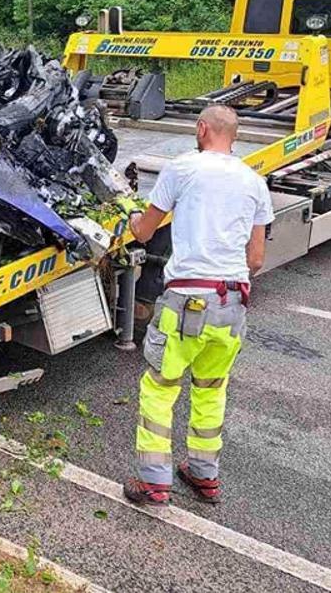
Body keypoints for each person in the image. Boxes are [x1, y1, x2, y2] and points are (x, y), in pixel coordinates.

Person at [118, 105, 273, 506]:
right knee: (210, 390)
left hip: (187, 300)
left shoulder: (183, 168)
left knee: (160, 388)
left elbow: (145, 230)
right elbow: (256, 259)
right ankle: (205, 477)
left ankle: (154, 482)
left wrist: (132, 217)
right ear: (233, 136)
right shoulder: (254, 182)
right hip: (233, 304)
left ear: (202, 129)